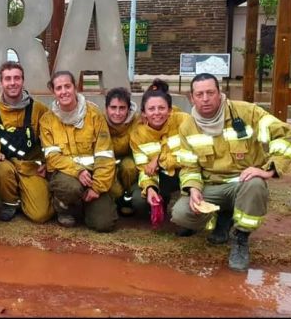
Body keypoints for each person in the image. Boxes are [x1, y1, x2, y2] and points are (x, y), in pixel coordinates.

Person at [172, 73, 291, 271]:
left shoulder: (246, 113)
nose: (205, 98)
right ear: (192, 97)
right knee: (181, 214)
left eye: (210, 92)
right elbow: (190, 166)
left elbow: (286, 134)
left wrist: (268, 170)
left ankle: (241, 238)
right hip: (212, 186)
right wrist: (193, 188)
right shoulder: (187, 127)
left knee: (256, 185)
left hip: (243, 184)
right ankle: (223, 217)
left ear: (219, 93)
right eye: (199, 94)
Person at [39, 71, 117, 231]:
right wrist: (78, 171)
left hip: (93, 176)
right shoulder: (47, 120)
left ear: (75, 88)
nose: (64, 91)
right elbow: (52, 157)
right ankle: (63, 205)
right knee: (71, 188)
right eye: (58, 88)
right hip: (66, 175)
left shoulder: (94, 115)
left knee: (104, 224)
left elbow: (105, 155)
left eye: (67, 86)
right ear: (54, 92)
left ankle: (84, 206)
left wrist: (97, 187)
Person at [0, 61, 53, 223]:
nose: (12, 83)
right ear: (1, 83)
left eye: (17, 78)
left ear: (23, 81)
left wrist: (49, 163)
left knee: (41, 215)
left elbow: (53, 139)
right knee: (2, 170)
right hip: (4, 166)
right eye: (8, 79)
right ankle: (10, 203)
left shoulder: (39, 109)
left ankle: (27, 197)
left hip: (31, 167)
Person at [129, 79, 192, 223]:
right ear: (143, 113)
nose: (157, 113)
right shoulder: (137, 135)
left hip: (188, 172)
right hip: (162, 176)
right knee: (140, 201)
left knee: (184, 220)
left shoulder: (184, 121)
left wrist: (159, 159)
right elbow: (144, 169)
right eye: (151, 109)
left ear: (170, 110)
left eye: (161, 108)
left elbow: (194, 155)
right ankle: (161, 201)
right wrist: (150, 187)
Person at [103, 87, 141, 217]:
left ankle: (128, 197)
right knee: (115, 190)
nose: (117, 113)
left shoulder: (136, 121)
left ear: (128, 109)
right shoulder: (99, 121)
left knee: (129, 167)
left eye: (122, 108)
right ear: (106, 108)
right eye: (113, 107)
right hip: (107, 162)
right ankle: (115, 198)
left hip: (128, 160)